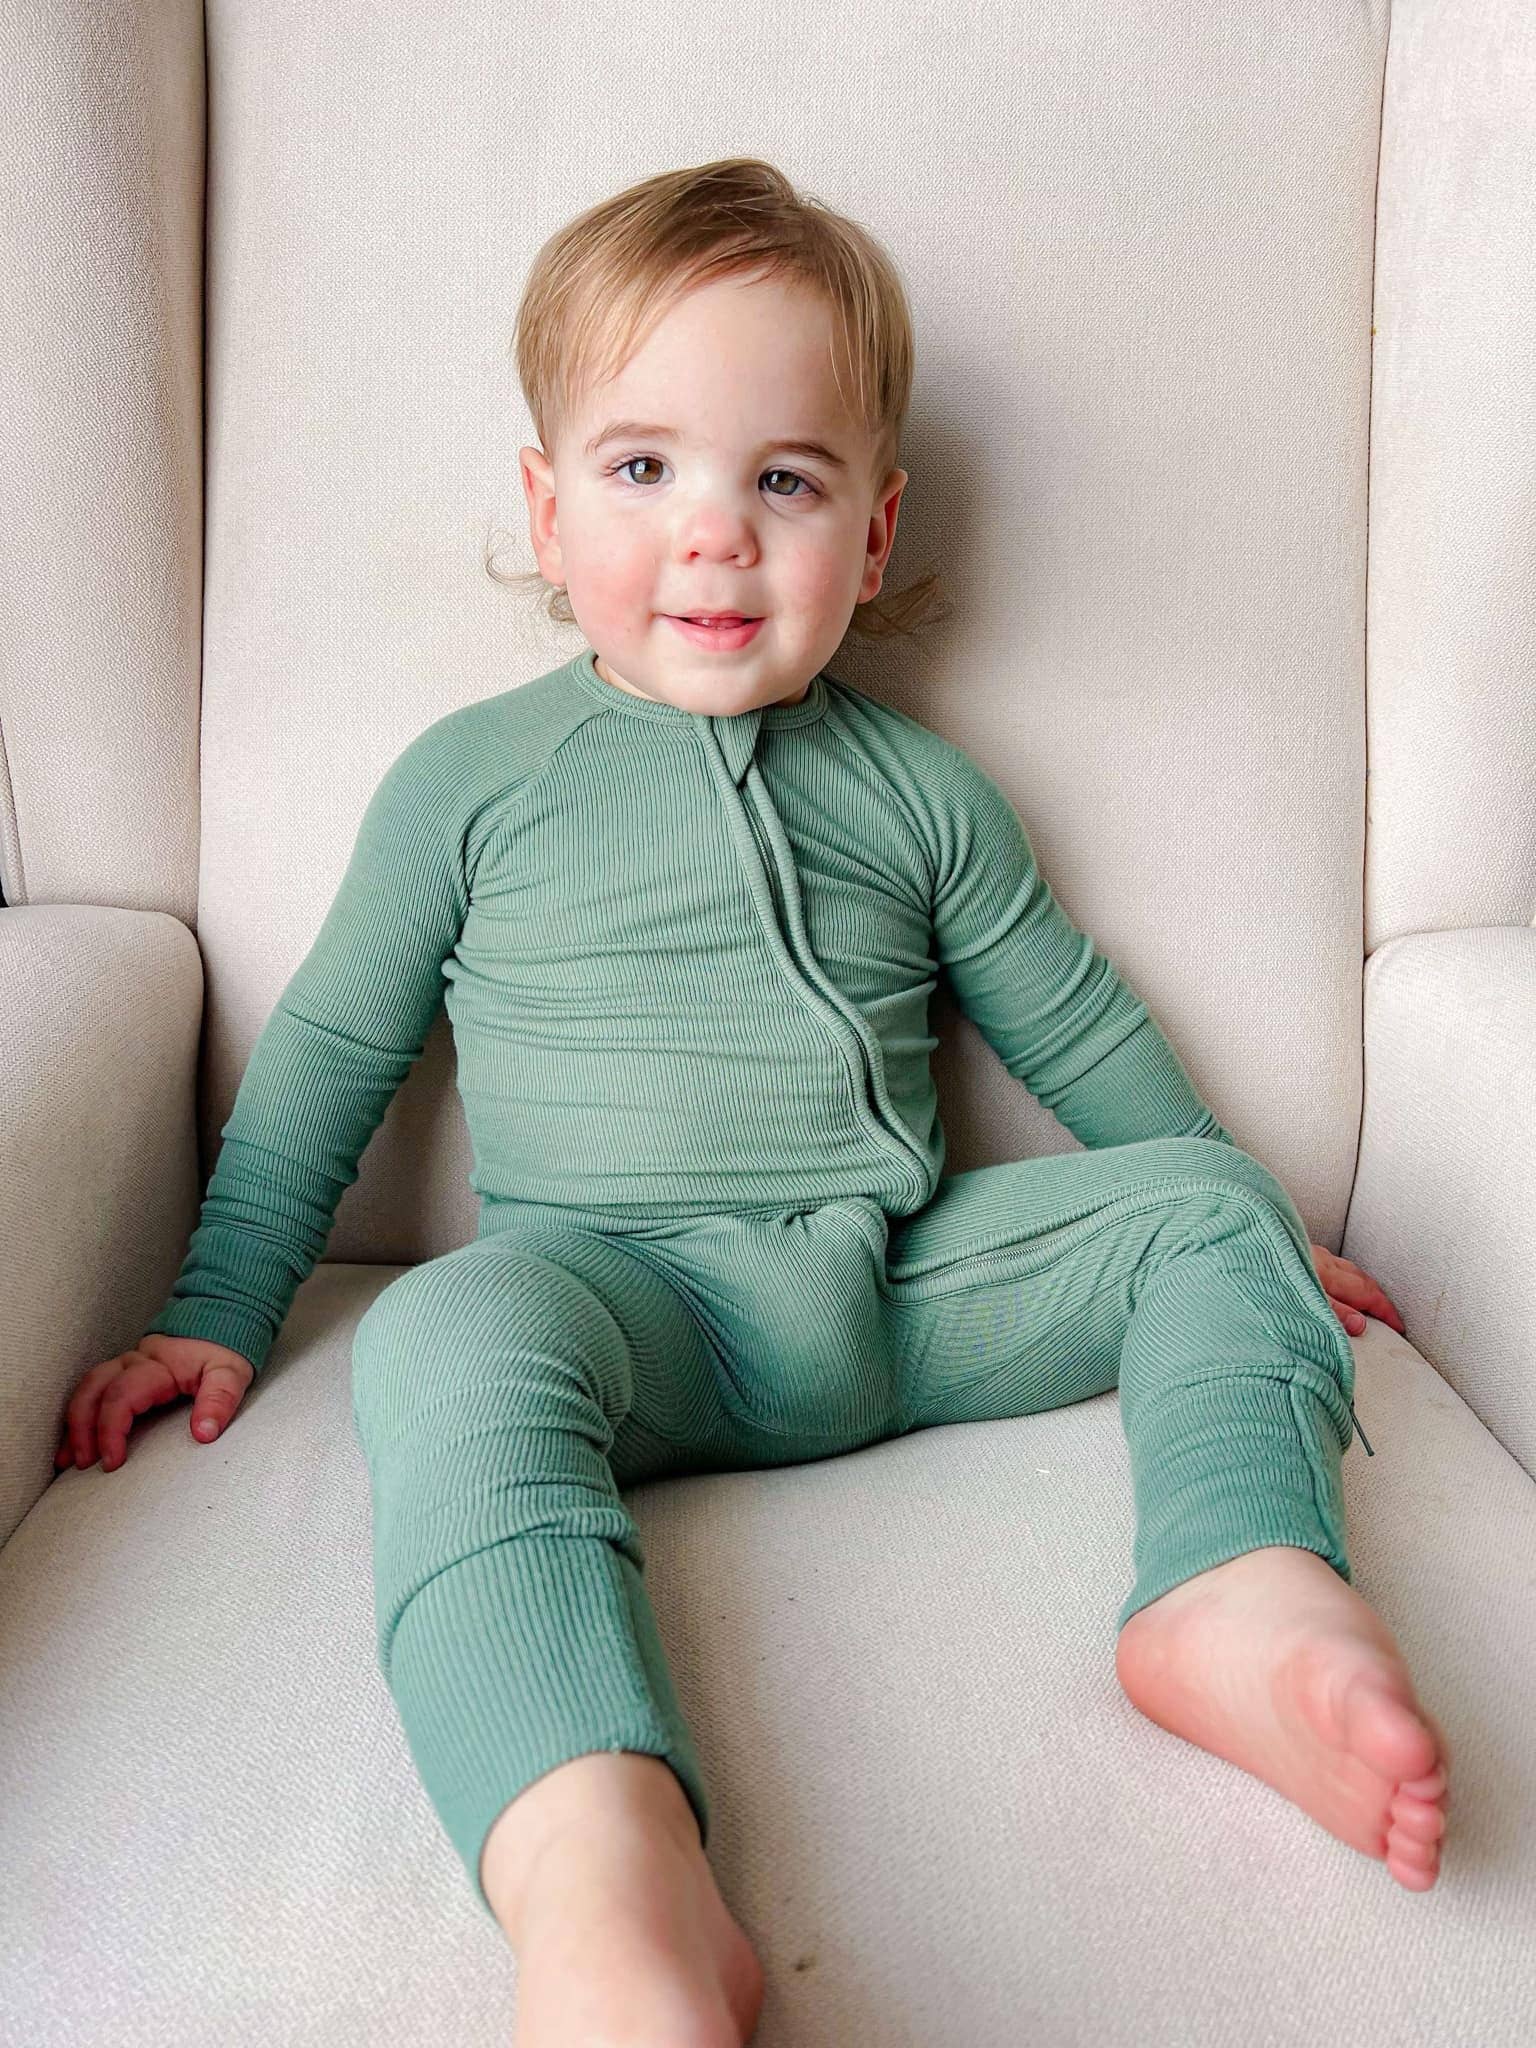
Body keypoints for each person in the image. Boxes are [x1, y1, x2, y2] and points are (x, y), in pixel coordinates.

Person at [54, 159, 1450, 2048]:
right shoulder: (469, 785)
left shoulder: (923, 792)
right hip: (622, 1310)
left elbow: (1075, 1025)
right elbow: (323, 1063)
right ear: (548, 510)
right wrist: (218, 1309)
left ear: (874, 536)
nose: (714, 535)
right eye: (644, 469)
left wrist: (1252, 1217)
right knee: (442, 1333)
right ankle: (597, 1859)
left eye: (785, 481)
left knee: (1207, 1210)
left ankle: (1239, 1591)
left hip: (903, 1289)